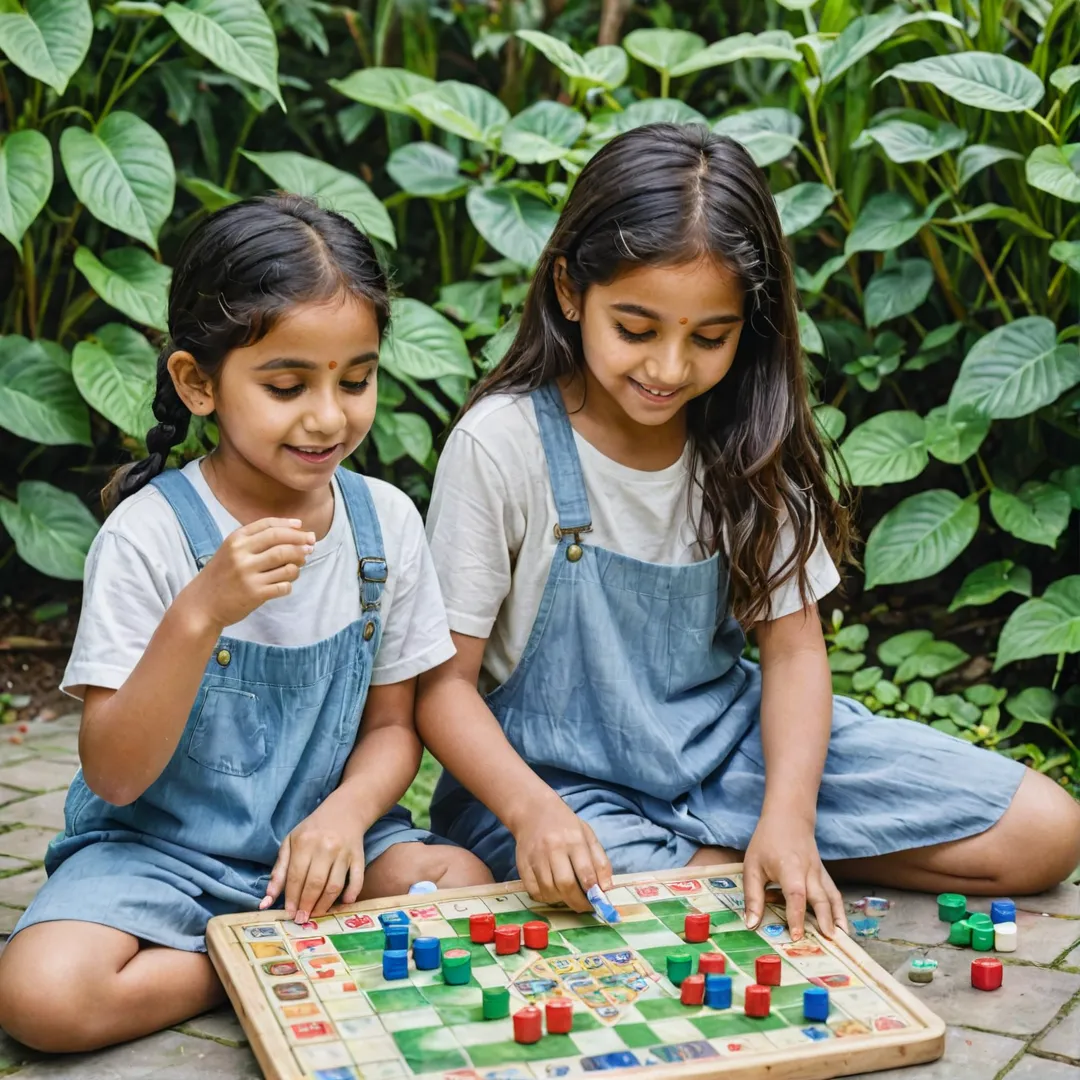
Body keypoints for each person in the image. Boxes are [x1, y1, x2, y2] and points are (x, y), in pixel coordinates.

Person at [417, 123, 1080, 943]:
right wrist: (532, 813)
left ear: (749, 325)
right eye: (636, 328)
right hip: (557, 787)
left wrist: (790, 815)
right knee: (663, 905)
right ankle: (723, 866)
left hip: (732, 753)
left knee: (1045, 831)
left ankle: (752, 853)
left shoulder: (747, 436)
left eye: (709, 337)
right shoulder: (502, 443)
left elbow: (795, 652)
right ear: (568, 290)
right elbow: (442, 687)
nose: (668, 368)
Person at [0, 195, 491, 1053]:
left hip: (326, 848)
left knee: (461, 882)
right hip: (158, 850)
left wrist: (344, 817)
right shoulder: (149, 535)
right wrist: (202, 613)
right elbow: (114, 775)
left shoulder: (384, 524)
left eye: (357, 378)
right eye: (287, 385)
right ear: (198, 383)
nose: (330, 416)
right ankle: (261, 955)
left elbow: (392, 731)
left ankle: (269, 948)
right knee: (42, 997)